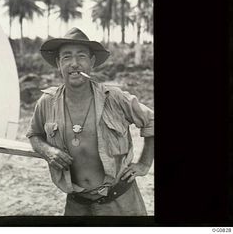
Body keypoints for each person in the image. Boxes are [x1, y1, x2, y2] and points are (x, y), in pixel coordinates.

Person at [26, 27, 154, 216]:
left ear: (92, 62)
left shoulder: (115, 98)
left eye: (82, 56)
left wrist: (144, 164)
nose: (75, 64)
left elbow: (151, 120)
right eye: (67, 57)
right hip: (77, 206)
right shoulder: (47, 102)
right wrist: (48, 150)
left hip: (121, 202)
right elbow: (34, 135)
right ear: (58, 63)